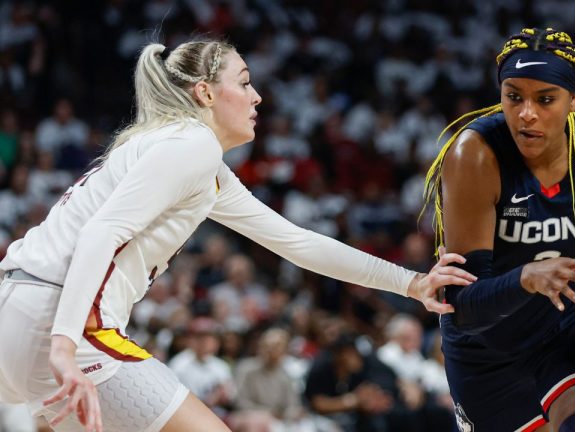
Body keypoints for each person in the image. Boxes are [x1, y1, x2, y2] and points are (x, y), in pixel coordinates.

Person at [0, 39, 476, 432]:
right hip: (61, 322)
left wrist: (410, 284)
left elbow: (297, 242)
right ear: (206, 94)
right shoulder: (194, 145)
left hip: (18, 308)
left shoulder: (188, 158)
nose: (257, 97)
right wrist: (62, 347)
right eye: (245, 83)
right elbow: (103, 232)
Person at [423, 27, 575, 431]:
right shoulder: (474, 155)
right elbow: (463, 307)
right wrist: (526, 278)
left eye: (545, 99)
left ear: (572, 101)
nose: (527, 113)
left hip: (571, 321)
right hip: (488, 344)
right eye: (514, 97)